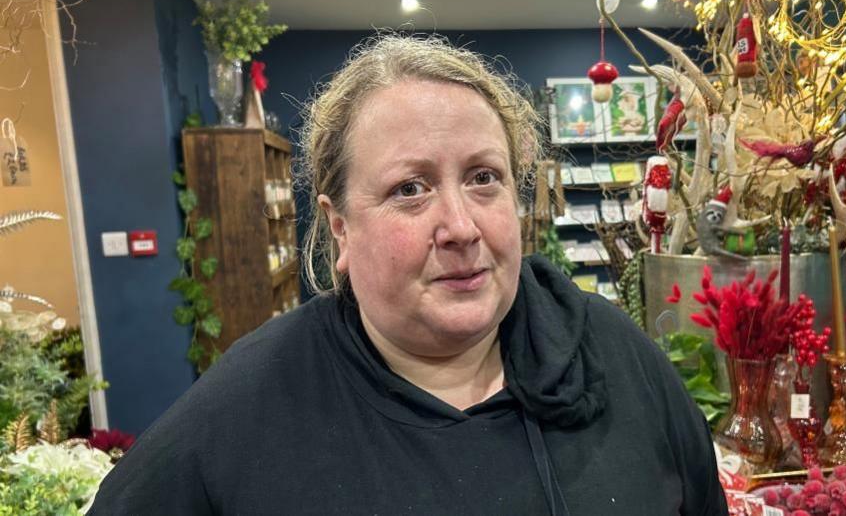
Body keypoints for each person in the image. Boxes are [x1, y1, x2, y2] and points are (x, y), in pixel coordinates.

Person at [88, 35, 727, 515]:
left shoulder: (617, 356)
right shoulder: (245, 411)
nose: (460, 227)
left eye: (484, 178)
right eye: (410, 189)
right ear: (339, 227)